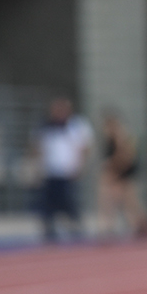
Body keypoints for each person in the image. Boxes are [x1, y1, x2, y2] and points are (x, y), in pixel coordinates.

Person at [35, 96, 93, 242]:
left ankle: (75, 226)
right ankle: (49, 229)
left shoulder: (77, 125)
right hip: (50, 171)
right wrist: (38, 167)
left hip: (68, 171)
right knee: (48, 203)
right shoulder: (45, 126)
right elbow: (38, 147)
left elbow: (85, 148)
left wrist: (81, 166)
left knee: (69, 201)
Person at [97, 109, 146, 238]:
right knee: (124, 201)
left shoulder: (120, 136)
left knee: (118, 200)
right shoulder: (113, 137)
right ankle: (113, 225)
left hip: (120, 172)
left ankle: (110, 226)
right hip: (118, 172)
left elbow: (126, 157)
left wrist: (113, 169)